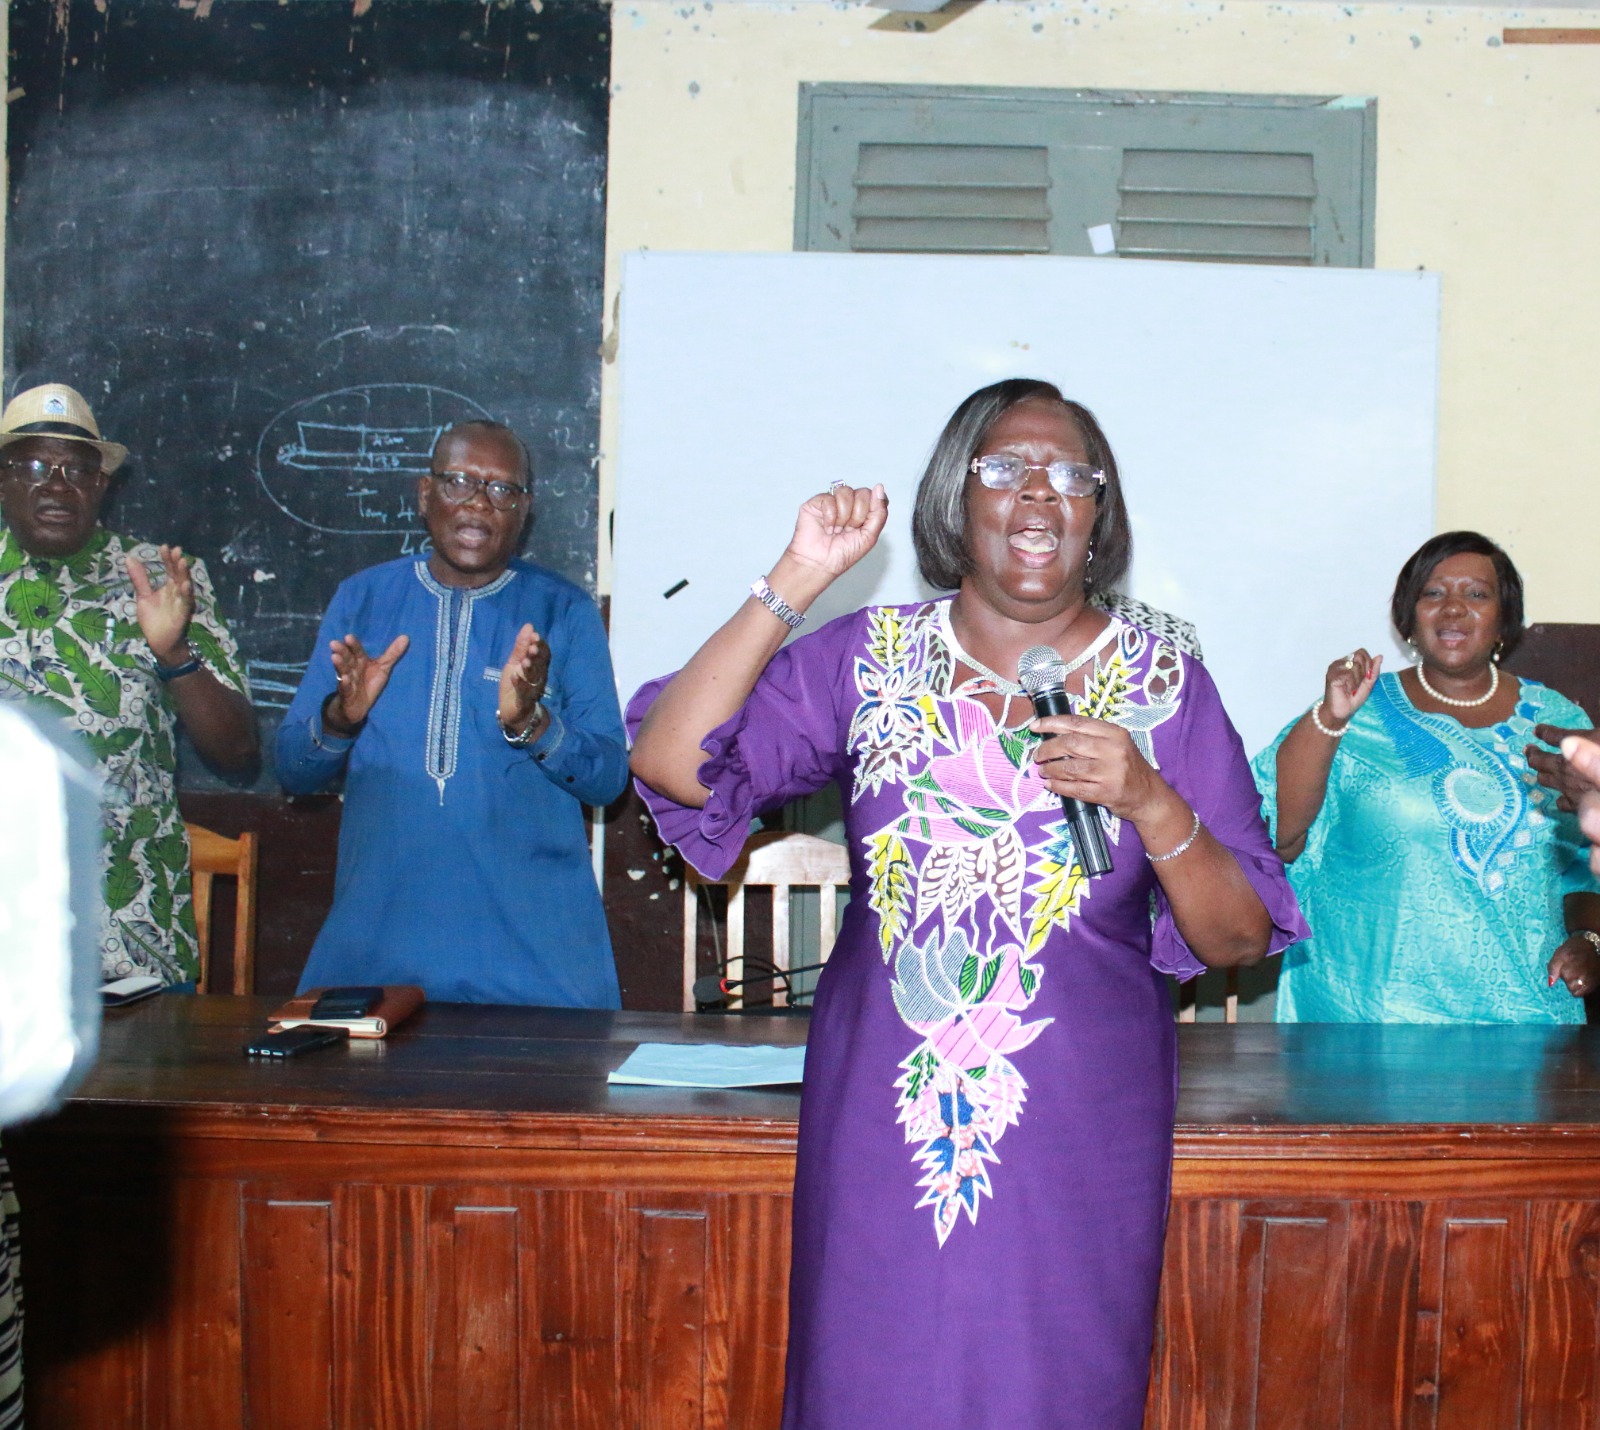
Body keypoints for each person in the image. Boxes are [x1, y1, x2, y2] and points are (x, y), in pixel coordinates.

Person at [627, 378, 1304, 1429]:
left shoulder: (1164, 681)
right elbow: (673, 763)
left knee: (1055, 1385)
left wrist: (1150, 799)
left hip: (1082, 1121)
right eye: (1005, 468)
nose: (1038, 491)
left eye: (1070, 473)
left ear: (1099, 512)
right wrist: (799, 575)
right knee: (874, 1376)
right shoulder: (868, 657)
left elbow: (1238, 934)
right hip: (882, 1113)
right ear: (958, 495)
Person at [276, 419, 628, 1005]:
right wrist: (341, 717)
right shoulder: (363, 599)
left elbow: (608, 779)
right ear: (425, 494)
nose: (479, 503)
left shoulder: (563, 611)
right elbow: (293, 768)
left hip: (538, 970)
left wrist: (532, 723)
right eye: (459, 481)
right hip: (375, 956)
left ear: (524, 510)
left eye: (502, 489)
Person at [1254, 531, 1600, 1022]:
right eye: (1433, 593)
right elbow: (1278, 838)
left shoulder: (1557, 721)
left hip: (1524, 1018)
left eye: (1476, 594)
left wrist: (1591, 940)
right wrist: (1329, 718)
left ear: (1504, 619)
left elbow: (1584, 865)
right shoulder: (1353, 712)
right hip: (1372, 1018)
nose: (1453, 608)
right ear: (1408, 618)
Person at [0, 382, 258, 985]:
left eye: (76, 469)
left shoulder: (164, 579)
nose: (56, 485)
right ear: (3, 479)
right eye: (34, 466)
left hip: (129, 942)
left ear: (101, 485)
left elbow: (239, 754)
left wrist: (174, 653)